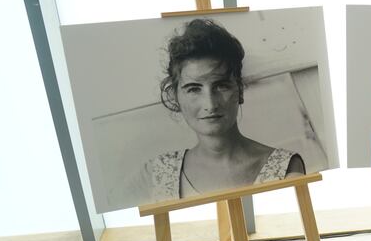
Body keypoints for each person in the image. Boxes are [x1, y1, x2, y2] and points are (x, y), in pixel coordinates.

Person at [124, 18, 304, 204]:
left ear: (240, 90)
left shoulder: (285, 168)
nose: (210, 104)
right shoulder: (155, 174)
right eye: (194, 89)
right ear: (175, 96)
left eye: (221, 86)